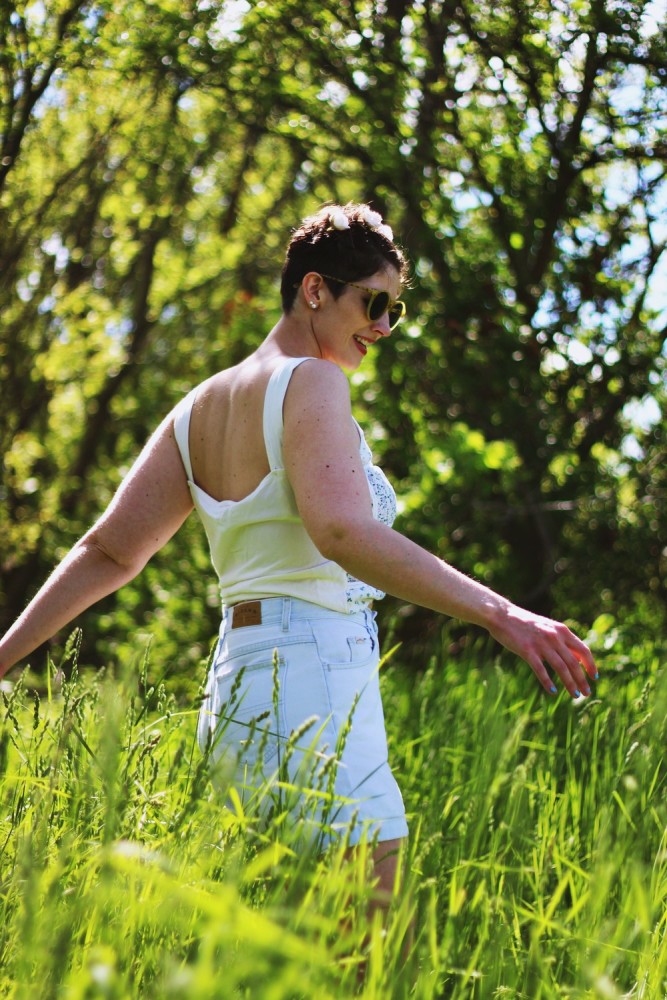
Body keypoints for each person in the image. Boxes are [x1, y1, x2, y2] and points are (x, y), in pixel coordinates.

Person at [0, 202, 598, 900]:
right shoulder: (311, 381)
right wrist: (502, 615)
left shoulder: (196, 406)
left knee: (272, 931)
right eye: (374, 303)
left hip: (236, 682)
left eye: (393, 313)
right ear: (315, 290)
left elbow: (109, 552)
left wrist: (4, 655)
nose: (381, 327)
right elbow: (340, 532)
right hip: (314, 670)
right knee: (362, 925)